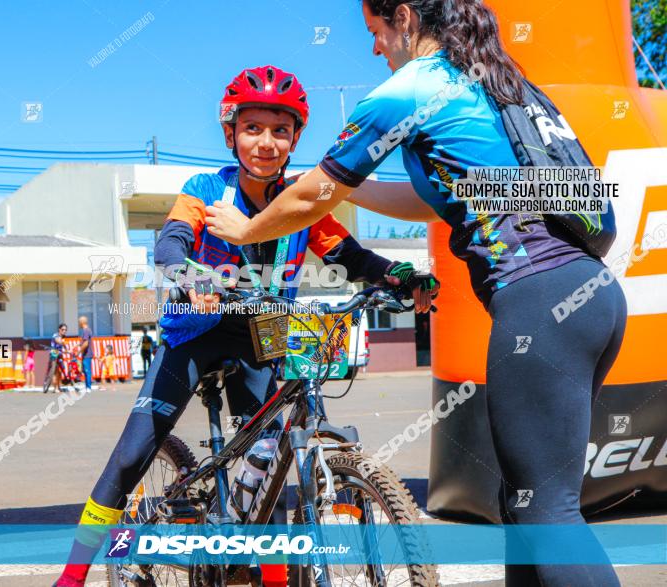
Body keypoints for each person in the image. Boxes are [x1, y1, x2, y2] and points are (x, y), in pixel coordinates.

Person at [205, 3, 626, 586]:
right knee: (523, 502)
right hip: (591, 295)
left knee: (547, 511)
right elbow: (429, 199)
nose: (376, 48)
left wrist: (247, 228)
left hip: (537, 298)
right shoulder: (493, 82)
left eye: (376, 33)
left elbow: (309, 200)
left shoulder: (409, 89)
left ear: (403, 17)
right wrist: (342, 185)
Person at [52, 64, 437, 587]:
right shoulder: (205, 188)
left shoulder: (301, 201)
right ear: (231, 132)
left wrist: (399, 276)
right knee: (131, 458)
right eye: (253, 128)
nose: (267, 142)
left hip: (267, 331)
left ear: (296, 137)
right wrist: (190, 273)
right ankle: (71, 577)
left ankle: (270, 575)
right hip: (196, 329)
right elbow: (170, 243)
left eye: (281, 130)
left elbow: (351, 255)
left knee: (272, 461)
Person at [44, 323, 67, 394]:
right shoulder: (56, 335)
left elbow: (64, 347)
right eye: (63, 330)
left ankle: (59, 386)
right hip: (54, 354)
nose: (64, 331)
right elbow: (58, 341)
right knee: (54, 371)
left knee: (60, 372)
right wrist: (63, 343)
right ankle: (55, 388)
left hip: (59, 355)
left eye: (65, 330)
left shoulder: (63, 337)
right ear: (59, 329)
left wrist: (66, 350)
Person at [77, 316, 96, 392]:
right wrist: (77, 345)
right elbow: (83, 342)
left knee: (87, 370)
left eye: (79, 322)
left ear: (82, 322)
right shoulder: (87, 330)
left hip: (87, 354)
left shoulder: (86, 331)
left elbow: (86, 343)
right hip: (87, 354)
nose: (78, 324)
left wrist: (79, 351)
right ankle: (87, 387)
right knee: (85, 370)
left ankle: (88, 387)